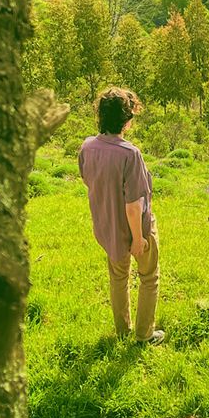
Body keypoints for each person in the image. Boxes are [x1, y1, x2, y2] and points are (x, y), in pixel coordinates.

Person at [78, 86, 164, 345]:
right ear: (126, 120)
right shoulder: (130, 154)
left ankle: (122, 330)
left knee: (118, 278)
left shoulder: (87, 147)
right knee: (149, 277)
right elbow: (133, 205)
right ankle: (144, 334)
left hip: (108, 228)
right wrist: (138, 238)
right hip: (136, 228)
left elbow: (89, 181)